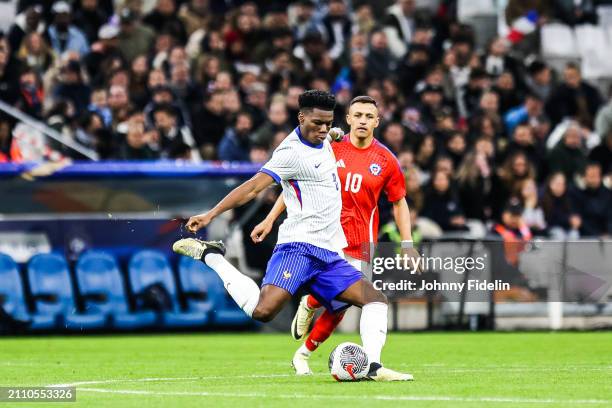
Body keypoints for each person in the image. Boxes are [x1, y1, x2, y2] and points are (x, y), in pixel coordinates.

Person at [173, 90, 413, 381]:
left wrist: (335, 132)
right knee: (262, 311)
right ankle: (211, 255)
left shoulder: (329, 138)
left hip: (329, 252)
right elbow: (251, 188)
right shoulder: (290, 153)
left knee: (375, 300)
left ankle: (373, 366)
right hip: (298, 248)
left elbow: (337, 133)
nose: (323, 130)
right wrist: (212, 214)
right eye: (317, 123)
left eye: (328, 123)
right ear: (301, 118)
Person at [251, 95, 418, 375]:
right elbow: (295, 183)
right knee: (346, 302)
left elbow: (399, 201)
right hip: (325, 238)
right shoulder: (330, 146)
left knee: (341, 307)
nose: (363, 120)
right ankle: (319, 321)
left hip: (361, 243)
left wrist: (408, 243)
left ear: (377, 122)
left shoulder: (386, 160)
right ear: (349, 119)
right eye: (358, 115)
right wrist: (270, 218)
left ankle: (306, 343)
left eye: (369, 116)